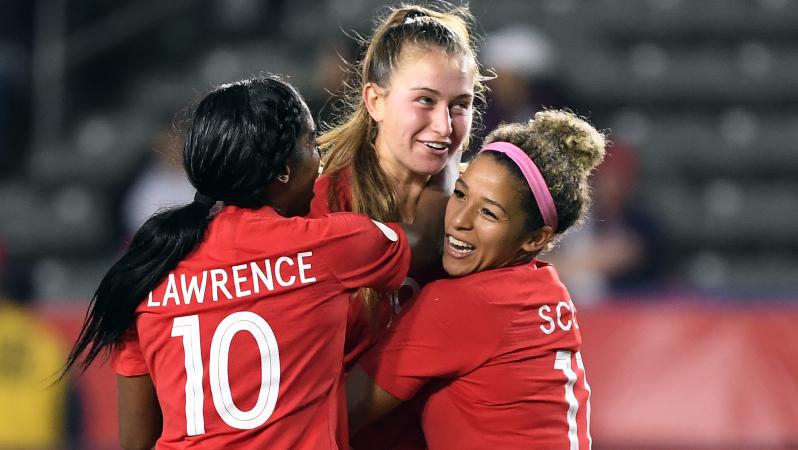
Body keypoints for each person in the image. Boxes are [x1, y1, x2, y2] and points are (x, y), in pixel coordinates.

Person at [62, 76, 441, 450]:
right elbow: (424, 239)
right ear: (283, 171)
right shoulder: (325, 245)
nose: (321, 159)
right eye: (312, 143)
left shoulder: (149, 268)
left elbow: (137, 441)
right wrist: (440, 155)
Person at [349, 110, 607, 450]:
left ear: (535, 239)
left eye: (488, 212)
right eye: (459, 194)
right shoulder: (545, 289)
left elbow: (341, 411)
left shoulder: (465, 303)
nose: (460, 220)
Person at [309, 4, 487, 448]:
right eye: (425, 100)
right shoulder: (322, 204)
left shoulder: (485, 207)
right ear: (375, 100)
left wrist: (454, 189)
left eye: (460, 105)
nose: (444, 126)